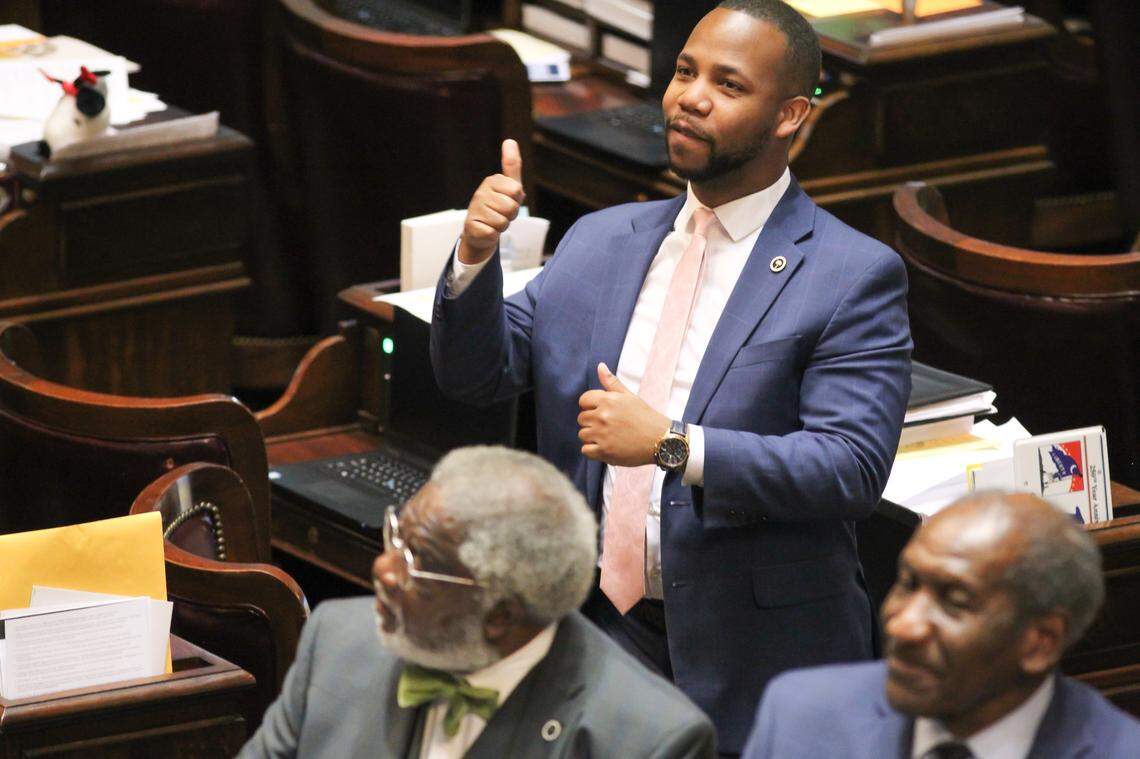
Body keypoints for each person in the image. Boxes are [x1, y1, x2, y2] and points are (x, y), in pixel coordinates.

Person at [430, 0, 911, 752]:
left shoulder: (851, 274)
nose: (689, 95)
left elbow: (849, 468)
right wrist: (473, 258)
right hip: (597, 634)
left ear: (789, 115)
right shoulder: (603, 240)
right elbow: (479, 374)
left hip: (754, 659)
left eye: (726, 84)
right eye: (685, 71)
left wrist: (673, 446)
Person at [240, 446, 716, 758]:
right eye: (395, 536)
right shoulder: (338, 644)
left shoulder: (646, 741)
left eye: (416, 560)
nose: (383, 570)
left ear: (500, 617)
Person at [742, 492, 1140, 758]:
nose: (904, 626)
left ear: (1040, 642)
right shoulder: (799, 716)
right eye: (908, 584)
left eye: (955, 603)